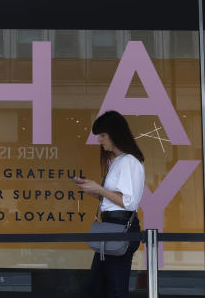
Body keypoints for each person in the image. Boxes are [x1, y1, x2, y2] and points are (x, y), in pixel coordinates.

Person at [75, 110, 146, 298]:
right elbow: (116, 200)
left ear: (115, 133)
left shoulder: (129, 162)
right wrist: (96, 192)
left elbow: (128, 202)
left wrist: (99, 189)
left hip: (120, 227)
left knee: (113, 287)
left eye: (103, 135)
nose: (99, 139)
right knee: (100, 285)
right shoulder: (118, 161)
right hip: (111, 227)